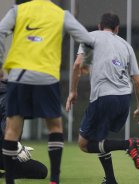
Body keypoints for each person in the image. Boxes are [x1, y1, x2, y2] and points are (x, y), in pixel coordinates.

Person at [0, 0, 94, 184]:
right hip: (46, 76)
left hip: (19, 75)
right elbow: (88, 40)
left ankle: (9, 181)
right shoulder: (60, 14)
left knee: (11, 130)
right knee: (55, 128)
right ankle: (55, 180)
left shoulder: (18, 11)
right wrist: (86, 62)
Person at [65, 13, 139, 184]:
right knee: (100, 138)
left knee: (84, 144)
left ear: (99, 25)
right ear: (117, 29)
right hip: (124, 99)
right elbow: (138, 82)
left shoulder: (91, 37)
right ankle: (110, 179)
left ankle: (128, 144)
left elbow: (77, 65)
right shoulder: (126, 45)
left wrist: (72, 91)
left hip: (104, 98)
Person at [0, 76, 48, 180]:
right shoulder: (12, 95)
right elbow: (6, 126)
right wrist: (17, 146)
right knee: (40, 171)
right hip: (4, 150)